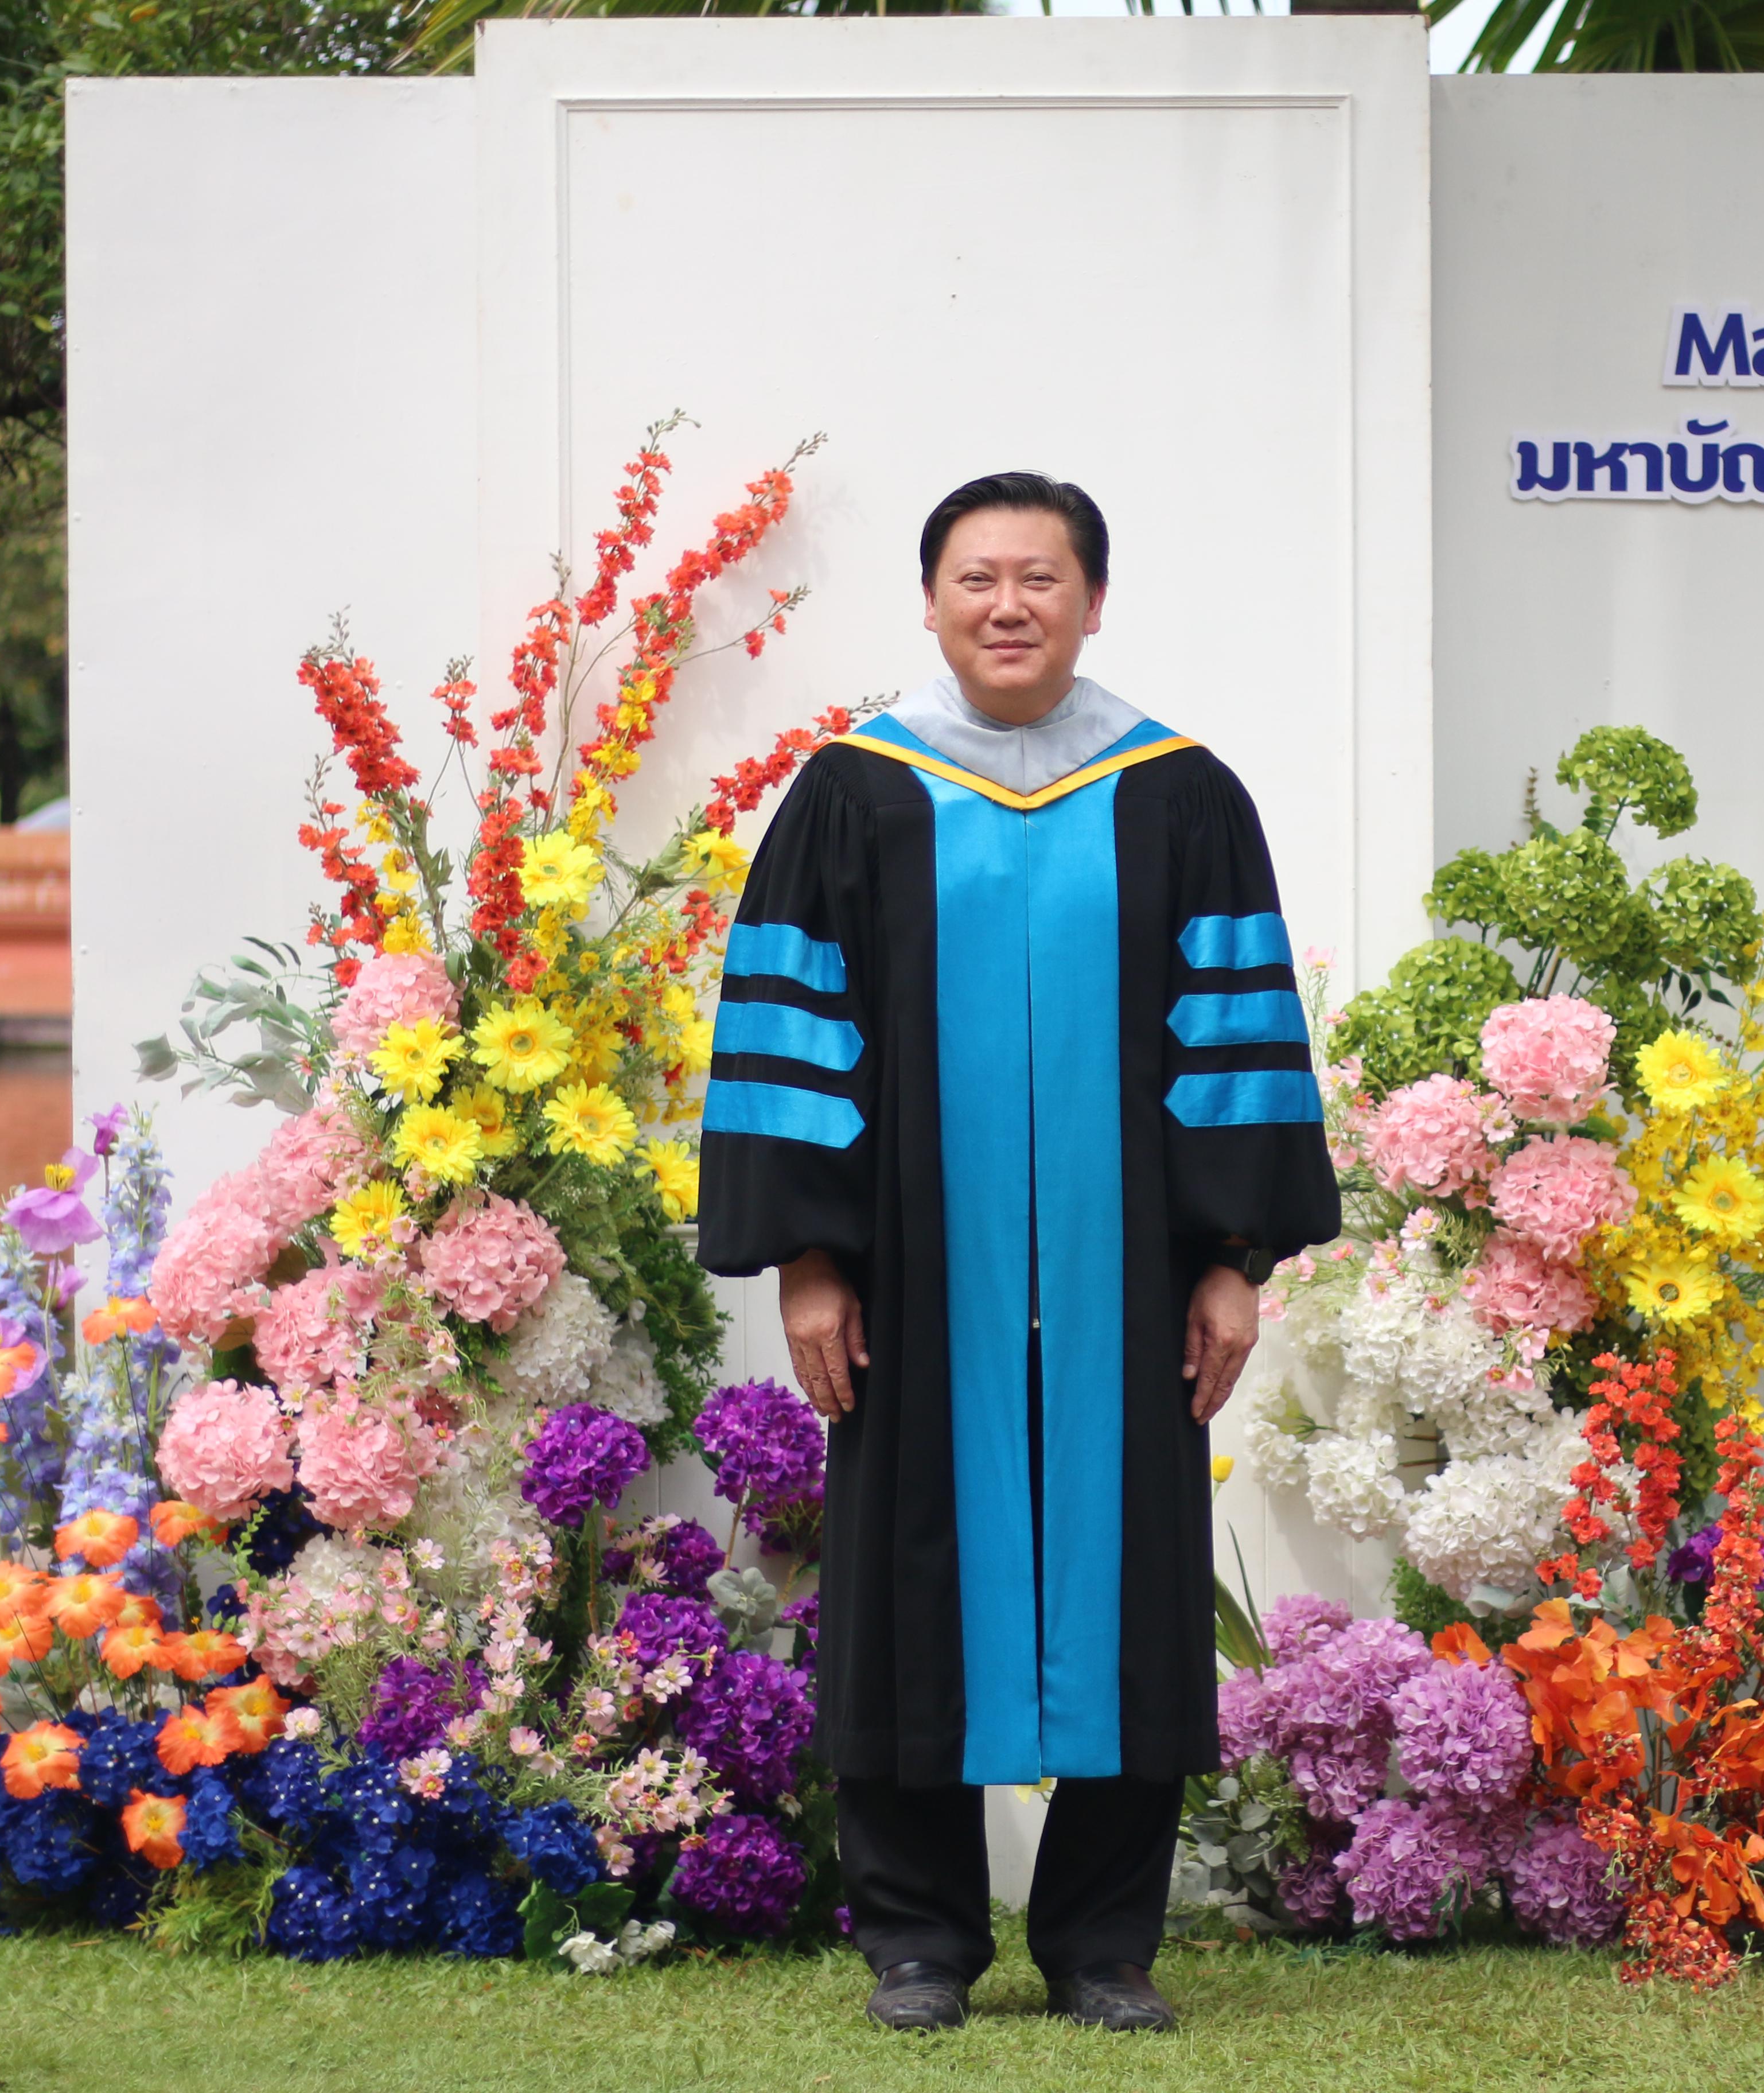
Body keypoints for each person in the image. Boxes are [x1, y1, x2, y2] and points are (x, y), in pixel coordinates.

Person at [697, 471, 1338, 2032]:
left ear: (1092, 601)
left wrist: (1233, 1255)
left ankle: (1103, 1944)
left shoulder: (1179, 793)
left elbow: (1231, 1045)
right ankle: (918, 1940)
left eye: (1041, 579)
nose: (1009, 604)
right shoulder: (856, 792)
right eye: (978, 578)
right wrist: (812, 1264)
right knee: (910, 1578)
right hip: (918, 1285)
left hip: (1126, 1292)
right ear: (931, 602)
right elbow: (798, 1039)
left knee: (1132, 1584)